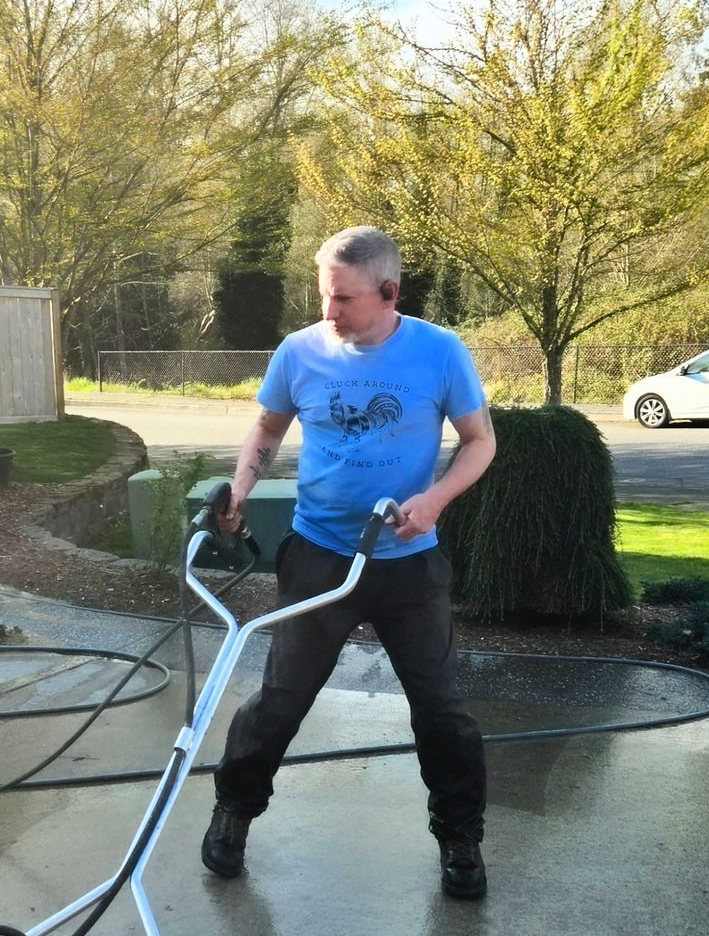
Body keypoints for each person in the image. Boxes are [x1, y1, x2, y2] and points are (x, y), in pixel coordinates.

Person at [202, 226, 497, 898]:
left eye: (343, 299)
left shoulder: (439, 353)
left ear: (389, 293)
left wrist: (437, 499)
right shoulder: (299, 351)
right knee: (281, 697)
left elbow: (480, 442)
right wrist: (240, 492)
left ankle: (460, 837)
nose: (328, 312)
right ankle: (234, 812)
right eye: (323, 295)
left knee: (442, 710)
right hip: (319, 556)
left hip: (408, 562)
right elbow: (269, 427)